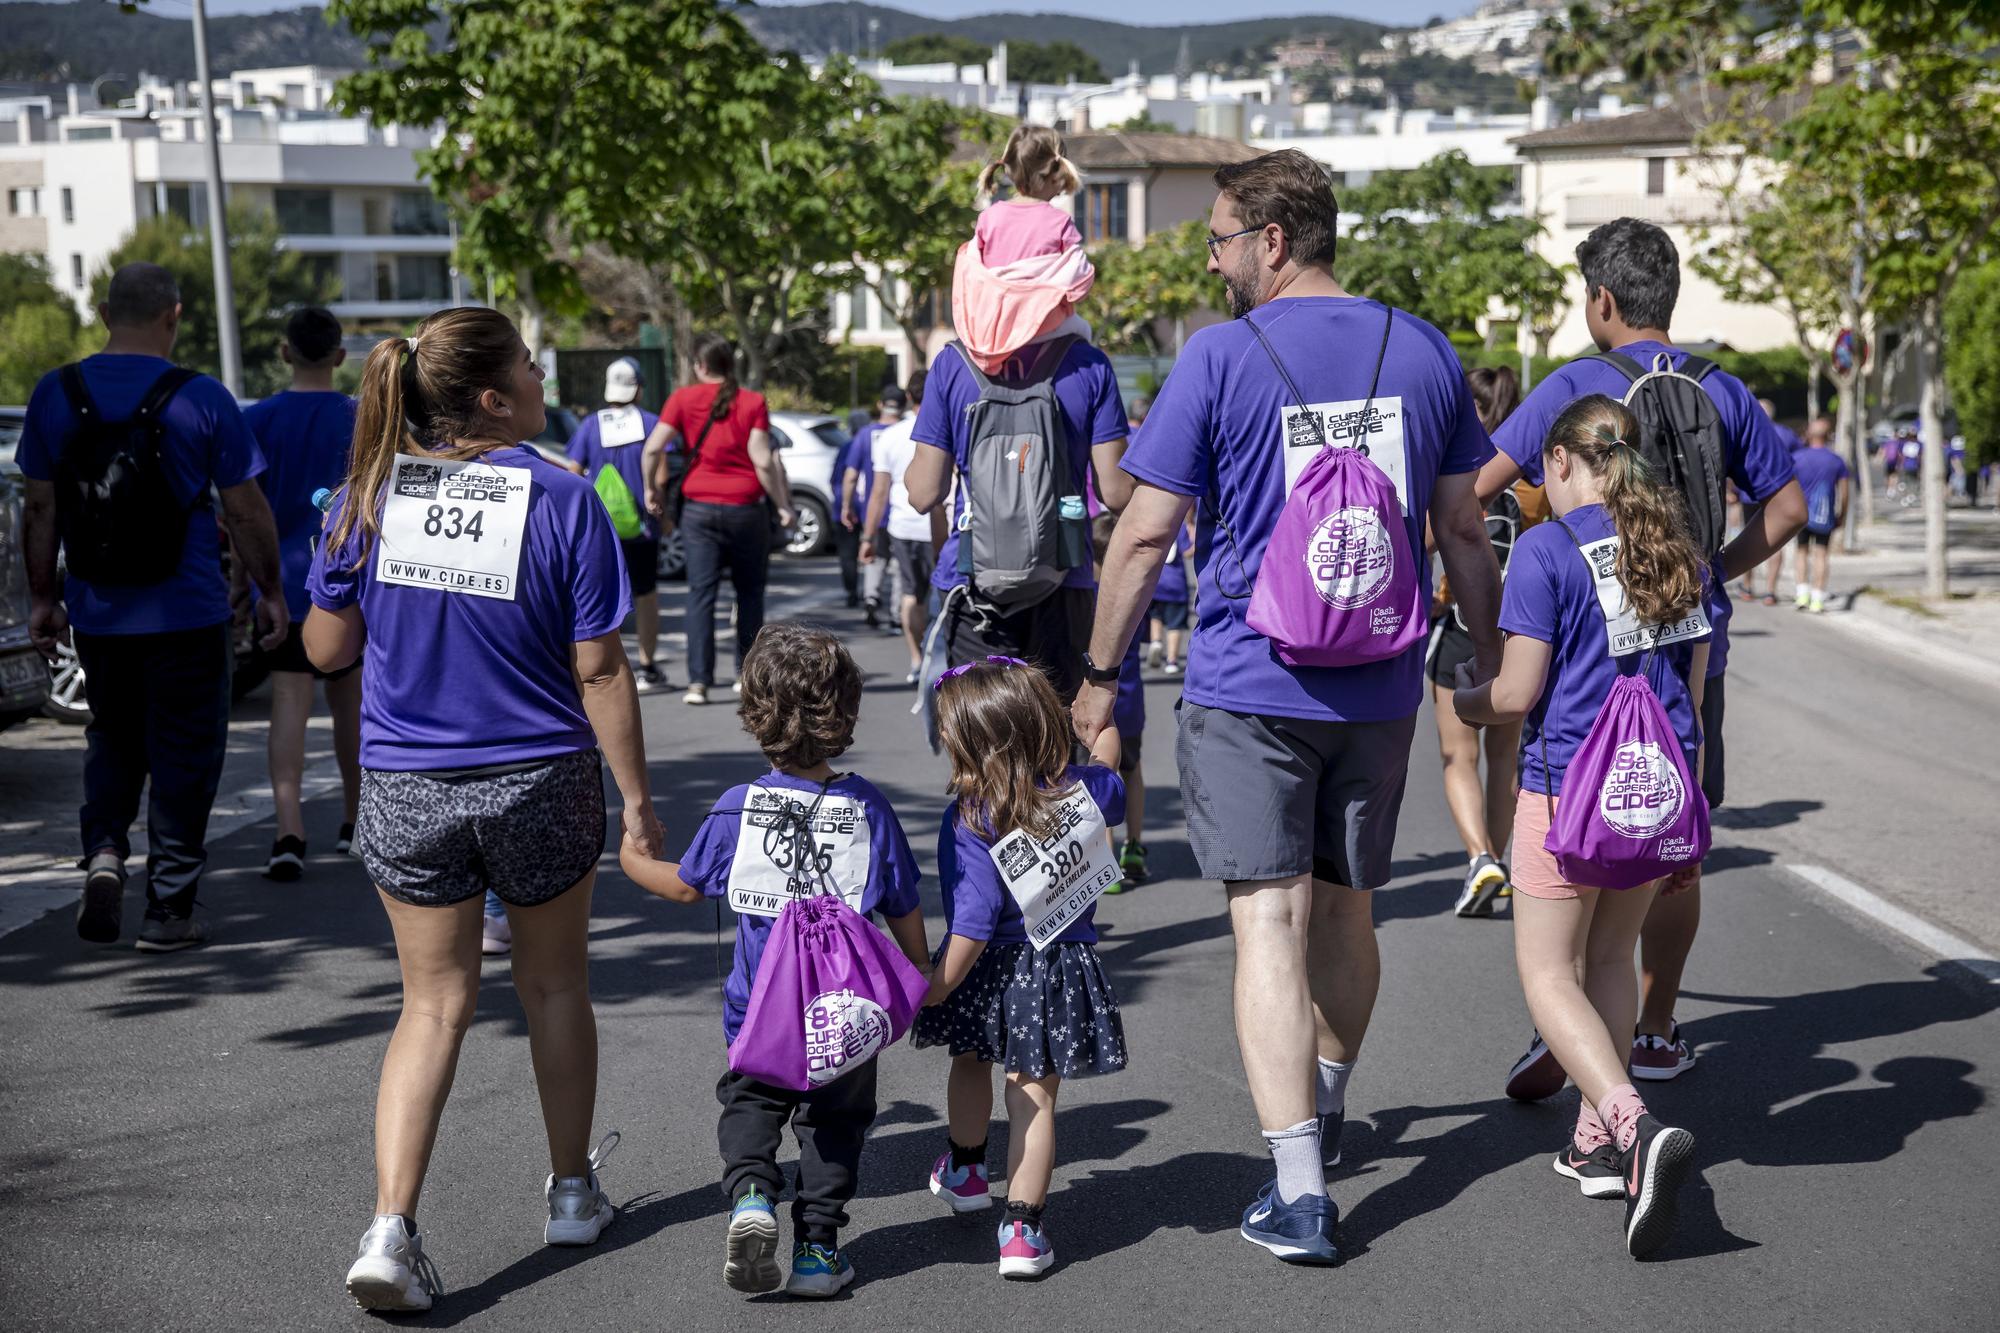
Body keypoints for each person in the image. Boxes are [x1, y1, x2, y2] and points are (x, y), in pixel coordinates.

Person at [1076, 149, 1505, 1264]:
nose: (1212, 261)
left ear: (1270, 240)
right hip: (1377, 682)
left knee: (1266, 923)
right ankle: (1325, 1093)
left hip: (1246, 682)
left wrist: (1094, 675)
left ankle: (1301, 1188)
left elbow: (1140, 531)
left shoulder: (1218, 357)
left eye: (1218, 239)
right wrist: (1488, 655)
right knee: (1347, 913)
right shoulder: (1419, 348)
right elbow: (1463, 528)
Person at [305, 307, 658, 1314]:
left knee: (431, 1005)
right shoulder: (565, 495)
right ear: (496, 397)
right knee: (553, 988)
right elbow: (599, 666)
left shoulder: (364, 495)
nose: (546, 374)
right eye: (530, 363)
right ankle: (572, 1192)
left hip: (406, 784)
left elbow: (324, 649)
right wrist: (636, 804)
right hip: (540, 779)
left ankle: (389, 1227)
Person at [1473, 217, 1803, 1096]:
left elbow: (1479, 487)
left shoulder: (1576, 384)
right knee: (1667, 829)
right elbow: (1789, 506)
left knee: (1571, 834)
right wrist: (1711, 574)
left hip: (1580, 639)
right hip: (1690, 648)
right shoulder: (1721, 386)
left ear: (1602, 300)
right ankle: (1653, 1029)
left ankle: (1568, 1019)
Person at [1452, 394, 1707, 1258]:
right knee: (1608, 961)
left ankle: (1635, 1126)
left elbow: (1519, 693)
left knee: (1548, 974)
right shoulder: (1671, 545)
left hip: (1566, 794)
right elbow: (1694, 690)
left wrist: (1462, 700)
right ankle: (1595, 1139)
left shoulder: (1546, 549)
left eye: (1537, 471)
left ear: (1560, 460)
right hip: (1651, 791)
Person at [619, 624, 931, 1299]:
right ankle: (818, 1249)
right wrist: (920, 971)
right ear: (845, 713)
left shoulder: (740, 808)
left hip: (759, 1007)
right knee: (836, 1122)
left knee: (751, 1100)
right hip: (845, 1010)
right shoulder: (868, 808)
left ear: (754, 713)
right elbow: (902, 900)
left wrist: (631, 858)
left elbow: (682, 885)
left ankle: (753, 1192)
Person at [20, 261, 287, 951]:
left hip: (99, 611)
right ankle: (169, 908)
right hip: (189, 611)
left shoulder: (56, 393)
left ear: (106, 313)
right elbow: (247, 510)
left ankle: (105, 853)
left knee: (111, 734)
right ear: (174, 315)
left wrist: (45, 598)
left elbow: (40, 507)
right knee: (186, 755)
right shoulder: (201, 397)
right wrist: (269, 591)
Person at [915, 658, 1126, 1280]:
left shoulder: (971, 819)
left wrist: (933, 989)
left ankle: (967, 1168)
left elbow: (972, 922)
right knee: (1033, 1099)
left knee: (970, 1061)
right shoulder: (1084, 790)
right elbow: (1108, 756)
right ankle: (1022, 1231)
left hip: (984, 969)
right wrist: (1088, 724)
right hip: (1056, 967)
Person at [903, 322, 1131, 706]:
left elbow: (923, 494)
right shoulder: (1088, 363)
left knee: (983, 745)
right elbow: (1116, 492)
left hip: (971, 582)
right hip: (1064, 577)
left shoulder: (952, 364)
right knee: (1055, 740)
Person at [242, 306, 363, 881]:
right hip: (351, 578)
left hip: (282, 581)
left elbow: (242, 507)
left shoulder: (259, 418)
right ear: (340, 356)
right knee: (350, 704)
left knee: (289, 702)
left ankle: (288, 829)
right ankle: (354, 820)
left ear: (285, 352)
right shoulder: (361, 417)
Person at [1430, 364, 1546, 918]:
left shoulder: (1461, 470)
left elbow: (1432, 539)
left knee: (1457, 755)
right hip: (1522, 628)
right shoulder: (1534, 480)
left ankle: (1480, 859)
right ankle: (1500, 857)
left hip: (1459, 624)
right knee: (1505, 759)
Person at [642, 336, 795, 706]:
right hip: (746, 510)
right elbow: (761, 459)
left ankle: (698, 682)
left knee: (700, 595)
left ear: (700, 365)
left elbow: (651, 448)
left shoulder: (681, 399)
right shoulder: (753, 402)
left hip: (699, 511)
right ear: (731, 365)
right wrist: (783, 504)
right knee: (749, 594)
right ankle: (747, 677)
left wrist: (652, 491)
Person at [951, 125, 1095, 375]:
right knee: (1085, 332)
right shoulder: (1059, 221)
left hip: (993, 327)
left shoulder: (989, 217)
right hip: (1045, 326)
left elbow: (975, 270)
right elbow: (1079, 282)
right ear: (1054, 174)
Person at [568, 356, 668, 692]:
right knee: (646, 594)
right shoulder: (652, 423)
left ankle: (609, 665)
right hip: (642, 526)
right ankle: (648, 666)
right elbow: (664, 473)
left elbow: (572, 470)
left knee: (606, 596)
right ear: (638, 388)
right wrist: (665, 516)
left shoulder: (590, 425)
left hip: (600, 528)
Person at [861, 371, 946, 685]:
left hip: (902, 525)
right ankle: (937, 657)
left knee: (911, 595)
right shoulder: (946, 426)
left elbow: (878, 492)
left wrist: (868, 536)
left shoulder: (890, 435)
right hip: (940, 524)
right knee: (942, 595)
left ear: (909, 398)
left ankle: (916, 658)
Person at [1090, 512, 1150, 892]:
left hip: (1097, 696)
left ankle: (1107, 854)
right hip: (1130, 697)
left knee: (1099, 773)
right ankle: (1135, 845)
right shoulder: (1135, 592)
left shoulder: (1088, 597)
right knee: (1132, 768)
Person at [840, 387, 905, 624]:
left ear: (880, 405)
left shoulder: (866, 434)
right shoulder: (908, 432)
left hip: (873, 509)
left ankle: (871, 598)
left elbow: (850, 474)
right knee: (899, 564)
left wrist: (846, 505)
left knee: (873, 557)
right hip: (901, 508)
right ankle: (898, 612)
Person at [1790, 415, 1849, 613]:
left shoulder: (1797, 458)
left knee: (1801, 552)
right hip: (1825, 514)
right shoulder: (1836, 461)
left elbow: (1789, 487)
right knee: (1821, 554)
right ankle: (1817, 598)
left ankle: (1801, 594)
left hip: (1801, 514)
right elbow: (1845, 491)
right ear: (1828, 436)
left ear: (1809, 434)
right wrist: (1842, 514)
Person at [1751, 399, 1804, 605]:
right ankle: (1770, 590)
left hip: (1750, 494)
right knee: (1775, 543)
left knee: (1747, 538)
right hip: (1777, 493)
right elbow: (1799, 461)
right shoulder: (1786, 433)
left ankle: (1749, 585)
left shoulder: (1746, 428)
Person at [1146, 517, 1194, 674]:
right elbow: (1186, 552)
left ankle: (1156, 641)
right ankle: (1171, 661)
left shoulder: (1155, 522)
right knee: (1175, 625)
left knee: (1156, 616)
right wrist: (1197, 544)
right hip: (1176, 585)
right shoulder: (1180, 527)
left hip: (1156, 582)